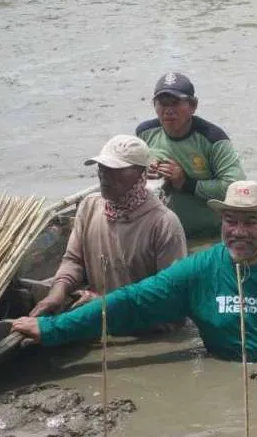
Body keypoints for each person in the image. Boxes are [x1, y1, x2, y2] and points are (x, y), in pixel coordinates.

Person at [12, 181, 257, 378]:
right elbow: (131, 301)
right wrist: (52, 329)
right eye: (230, 221)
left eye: (251, 222)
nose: (238, 232)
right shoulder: (199, 269)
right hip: (224, 367)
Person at [28, 135, 187, 322]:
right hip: (98, 315)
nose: (104, 174)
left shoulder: (164, 223)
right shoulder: (89, 207)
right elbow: (74, 261)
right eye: (102, 167)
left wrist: (104, 305)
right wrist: (57, 292)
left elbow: (170, 299)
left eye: (115, 169)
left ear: (140, 174)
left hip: (144, 321)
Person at [136, 71, 246, 238]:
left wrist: (185, 183)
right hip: (163, 235)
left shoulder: (213, 139)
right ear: (154, 105)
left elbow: (236, 188)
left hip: (210, 234)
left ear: (193, 106)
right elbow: (127, 178)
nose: (169, 110)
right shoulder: (144, 134)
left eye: (175, 103)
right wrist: (142, 174)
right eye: (163, 103)